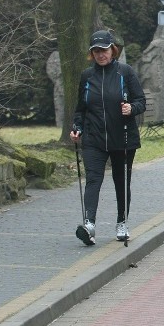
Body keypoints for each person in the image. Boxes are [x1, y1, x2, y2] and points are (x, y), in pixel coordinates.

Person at [70, 30, 146, 245]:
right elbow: (80, 109)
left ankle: (122, 221)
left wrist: (131, 108)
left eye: (104, 50)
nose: (100, 55)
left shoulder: (125, 72)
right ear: (91, 54)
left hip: (122, 137)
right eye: (96, 51)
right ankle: (89, 224)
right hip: (94, 138)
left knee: (121, 181)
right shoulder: (87, 76)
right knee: (93, 179)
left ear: (112, 50)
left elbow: (141, 101)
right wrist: (77, 127)